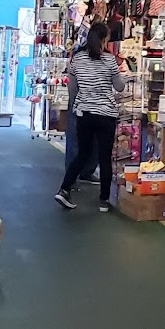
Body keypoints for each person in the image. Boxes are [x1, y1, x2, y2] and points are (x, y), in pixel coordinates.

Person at [55, 22, 124, 212]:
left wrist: (79, 102)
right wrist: (119, 74)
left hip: (84, 113)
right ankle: (103, 201)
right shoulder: (109, 60)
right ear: (104, 39)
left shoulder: (77, 59)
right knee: (104, 157)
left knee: (82, 153)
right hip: (106, 114)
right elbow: (119, 87)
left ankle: (64, 189)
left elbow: (72, 87)